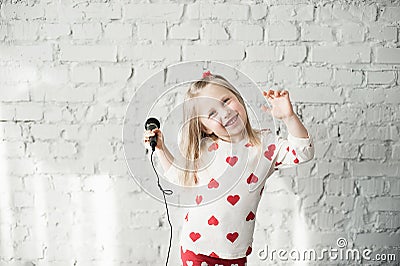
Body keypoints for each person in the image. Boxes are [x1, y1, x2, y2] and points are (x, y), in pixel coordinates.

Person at [144, 72, 314, 266]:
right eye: (212, 113)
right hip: (195, 247)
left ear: (238, 98)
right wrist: (160, 150)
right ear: (205, 128)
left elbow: (303, 152)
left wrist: (289, 117)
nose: (224, 113)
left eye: (226, 101)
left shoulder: (265, 145)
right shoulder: (204, 149)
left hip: (234, 252)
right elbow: (179, 178)